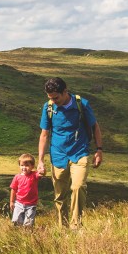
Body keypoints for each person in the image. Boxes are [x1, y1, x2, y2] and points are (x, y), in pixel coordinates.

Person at [37, 77, 103, 229]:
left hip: (80, 153)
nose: (53, 101)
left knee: (78, 186)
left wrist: (99, 150)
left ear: (65, 91)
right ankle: (63, 227)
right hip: (58, 155)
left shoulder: (82, 104)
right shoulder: (48, 108)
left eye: (56, 97)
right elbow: (44, 135)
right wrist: (40, 160)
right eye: (50, 98)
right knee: (60, 196)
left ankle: (75, 226)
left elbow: (95, 127)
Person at [9, 153, 41, 227]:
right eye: (22, 165)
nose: (24, 167)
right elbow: (13, 189)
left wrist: (42, 169)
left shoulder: (34, 175)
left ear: (32, 166)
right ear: (19, 166)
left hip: (31, 204)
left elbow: (41, 174)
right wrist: (11, 202)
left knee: (28, 224)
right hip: (19, 203)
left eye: (27, 166)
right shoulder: (17, 177)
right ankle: (17, 235)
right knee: (16, 221)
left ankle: (27, 235)